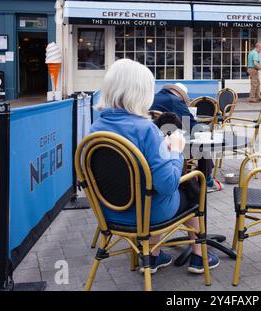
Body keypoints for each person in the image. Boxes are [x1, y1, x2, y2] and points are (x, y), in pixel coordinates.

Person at [91, 59, 220, 274]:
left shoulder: (95, 128)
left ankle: (154, 255)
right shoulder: (145, 130)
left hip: (110, 213)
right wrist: (176, 151)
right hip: (148, 214)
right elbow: (168, 184)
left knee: (148, 187)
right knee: (193, 184)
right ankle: (199, 255)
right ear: (141, 92)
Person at [150, 83, 223, 192]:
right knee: (202, 139)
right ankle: (206, 180)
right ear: (180, 95)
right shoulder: (175, 101)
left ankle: (203, 175)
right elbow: (191, 125)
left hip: (154, 144)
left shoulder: (152, 98)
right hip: (174, 144)